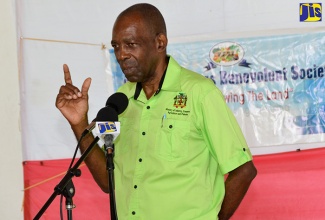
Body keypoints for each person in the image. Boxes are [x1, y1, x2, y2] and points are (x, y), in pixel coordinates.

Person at [56, 3, 257, 220]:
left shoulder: (200, 93)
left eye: (131, 44)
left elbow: (244, 170)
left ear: (160, 43)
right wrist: (79, 123)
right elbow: (108, 181)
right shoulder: (119, 100)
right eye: (116, 46)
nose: (121, 55)